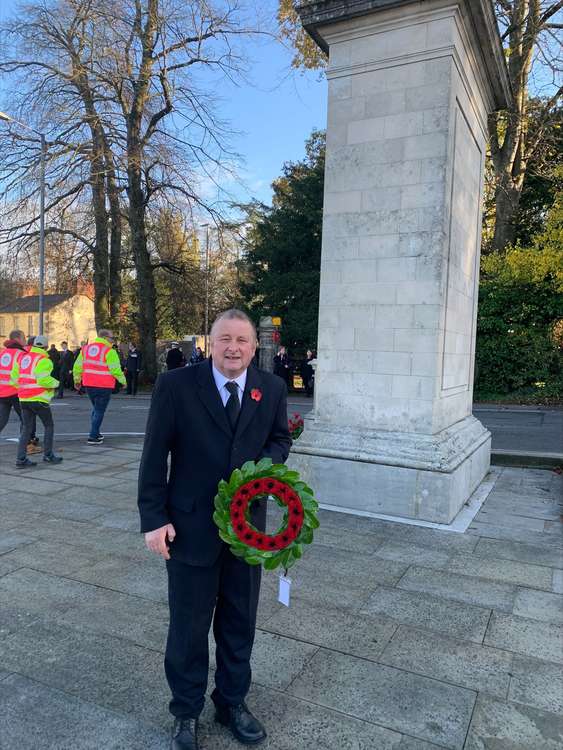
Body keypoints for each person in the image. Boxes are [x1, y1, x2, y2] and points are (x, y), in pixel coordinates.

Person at [138, 309, 291, 750]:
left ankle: (231, 702)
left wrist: (262, 470)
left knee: (239, 621)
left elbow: (280, 440)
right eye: (225, 338)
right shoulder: (176, 387)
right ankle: (185, 711)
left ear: (254, 346)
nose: (233, 348)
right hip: (189, 529)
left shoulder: (272, 389)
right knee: (188, 626)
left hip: (248, 531)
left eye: (242, 340)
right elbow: (154, 456)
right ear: (210, 341)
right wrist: (153, 518)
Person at [12, 334, 63, 468]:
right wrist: (57, 383)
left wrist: (23, 389)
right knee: (48, 425)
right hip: (39, 398)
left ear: (33, 345)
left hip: (23, 398)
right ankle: (48, 455)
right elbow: (43, 380)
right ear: (46, 347)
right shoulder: (44, 360)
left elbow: (14, 377)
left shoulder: (23, 358)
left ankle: (21, 459)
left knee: (26, 429)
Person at [72, 328, 126, 445]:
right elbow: (115, 370)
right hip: (104, 385)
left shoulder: (85, 349)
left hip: (89, 384)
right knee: (99, 410)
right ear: (105, 338)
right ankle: (93, 436)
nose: (113, 341)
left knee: (96, 409)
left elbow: (77, 366)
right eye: (112, 338)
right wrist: (123, 381)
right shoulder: (109, 351)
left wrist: (77, 380)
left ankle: (96, 433)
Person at [0, 329, 26, 436]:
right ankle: (27, 444)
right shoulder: (22, 354)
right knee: (26, 420)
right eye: (24, 338)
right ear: (17, 339)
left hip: (2, 392)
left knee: (2, 420)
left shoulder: (2, 353)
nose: (25, 340)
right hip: (16, 392)